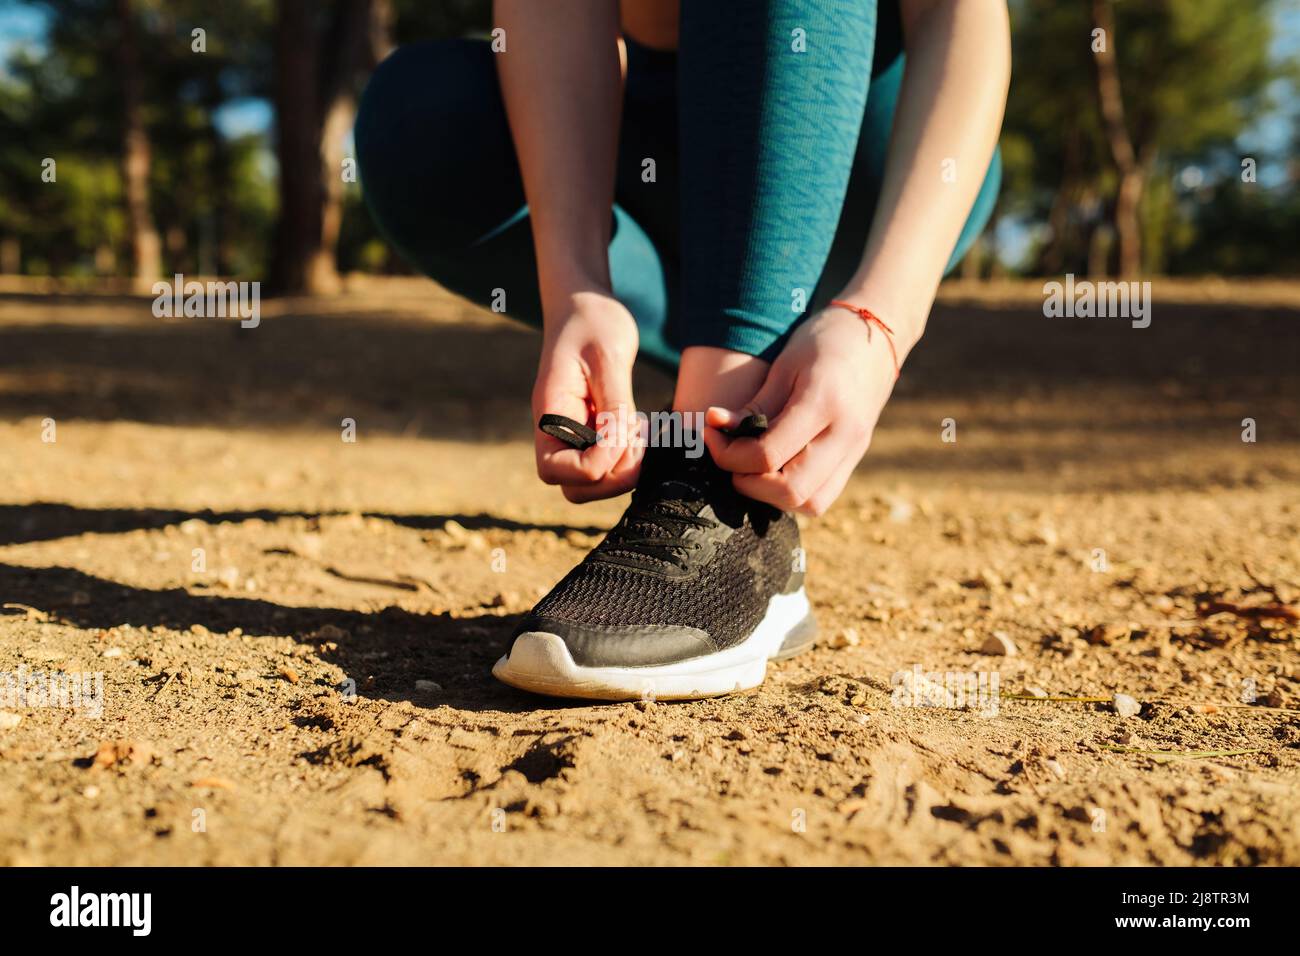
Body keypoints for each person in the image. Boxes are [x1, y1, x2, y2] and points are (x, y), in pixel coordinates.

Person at [355, 0, 1010, 700]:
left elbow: (957, 15)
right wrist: (576, 288)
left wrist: (882, 315)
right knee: (418, 113)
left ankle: (727, 480)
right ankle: (714, 388)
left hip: (864, 148)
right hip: (651, 160)